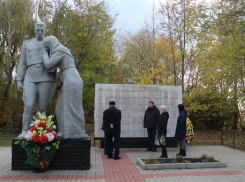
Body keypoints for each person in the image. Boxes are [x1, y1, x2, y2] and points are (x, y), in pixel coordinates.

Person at [42, 35, 89, 138]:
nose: (48, 50)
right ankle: (65, 131)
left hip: (71, 79)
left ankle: (75, 132)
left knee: (72, 108)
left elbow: (48, 64)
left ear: (51, 44)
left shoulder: (61, 49)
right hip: (70, 78)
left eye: (48, 48)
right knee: (60, 108)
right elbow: (51, 69)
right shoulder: (61, 50)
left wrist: (43, 52)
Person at [17, 22, 55, 138]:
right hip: (30, 76)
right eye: (38, 30)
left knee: (42, 108)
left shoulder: (49, 44)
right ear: (35, 30)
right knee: (28, 105)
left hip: (45, 76)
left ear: (45, 31)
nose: (40, 32)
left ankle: (40, 132)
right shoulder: (27, 44)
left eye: (42, 31)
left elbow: (56, 59)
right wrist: (19, 79)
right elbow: (22, 63)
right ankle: (25, 130)